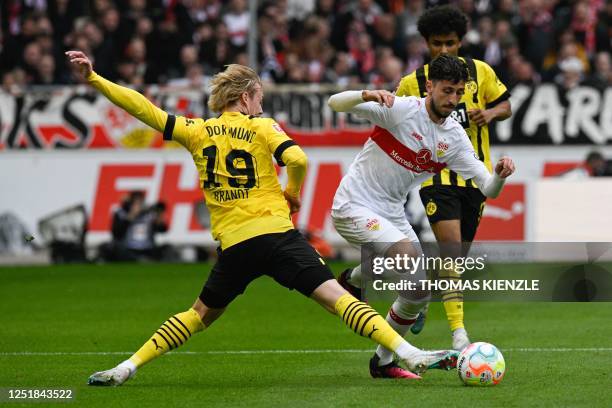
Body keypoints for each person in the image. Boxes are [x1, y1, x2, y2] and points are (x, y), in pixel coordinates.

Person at [65, 50, 459, 386]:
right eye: (260, 98)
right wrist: (293, 193)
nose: (262, 105)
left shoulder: (196, 130)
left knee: (198, 315)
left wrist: (95, 78)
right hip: (277, 236)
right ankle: (406, 352)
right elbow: (297, 158)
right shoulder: (261, 126)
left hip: (235, 245)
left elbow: (144, 109)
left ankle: (126, 366)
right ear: (246, 97)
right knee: (337, 300)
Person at [328, 54, 515, 379]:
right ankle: (360, 281)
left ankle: (383, 360)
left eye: (459, 92)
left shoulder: (454, 137)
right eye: (447, 91)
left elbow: (488, 186)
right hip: (354, 205)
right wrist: (366, 94)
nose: (453, 99)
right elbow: (334, 103)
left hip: (391, 214)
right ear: (430, 86)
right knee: (408, 262)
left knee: (417, 290)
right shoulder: (401, 110)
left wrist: (499, 174)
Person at [99, 191, 173, 262]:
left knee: (168, 248)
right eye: (135, 203)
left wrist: (159, 219)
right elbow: (116, 233)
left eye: (140, 203)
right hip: (128, 249)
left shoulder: (150, 214)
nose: (138, 206)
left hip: (147, 249)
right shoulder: (122, 214)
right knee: (110, 248)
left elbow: (163, 229)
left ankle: (145, 260)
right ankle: (140, 260)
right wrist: (130, 217)